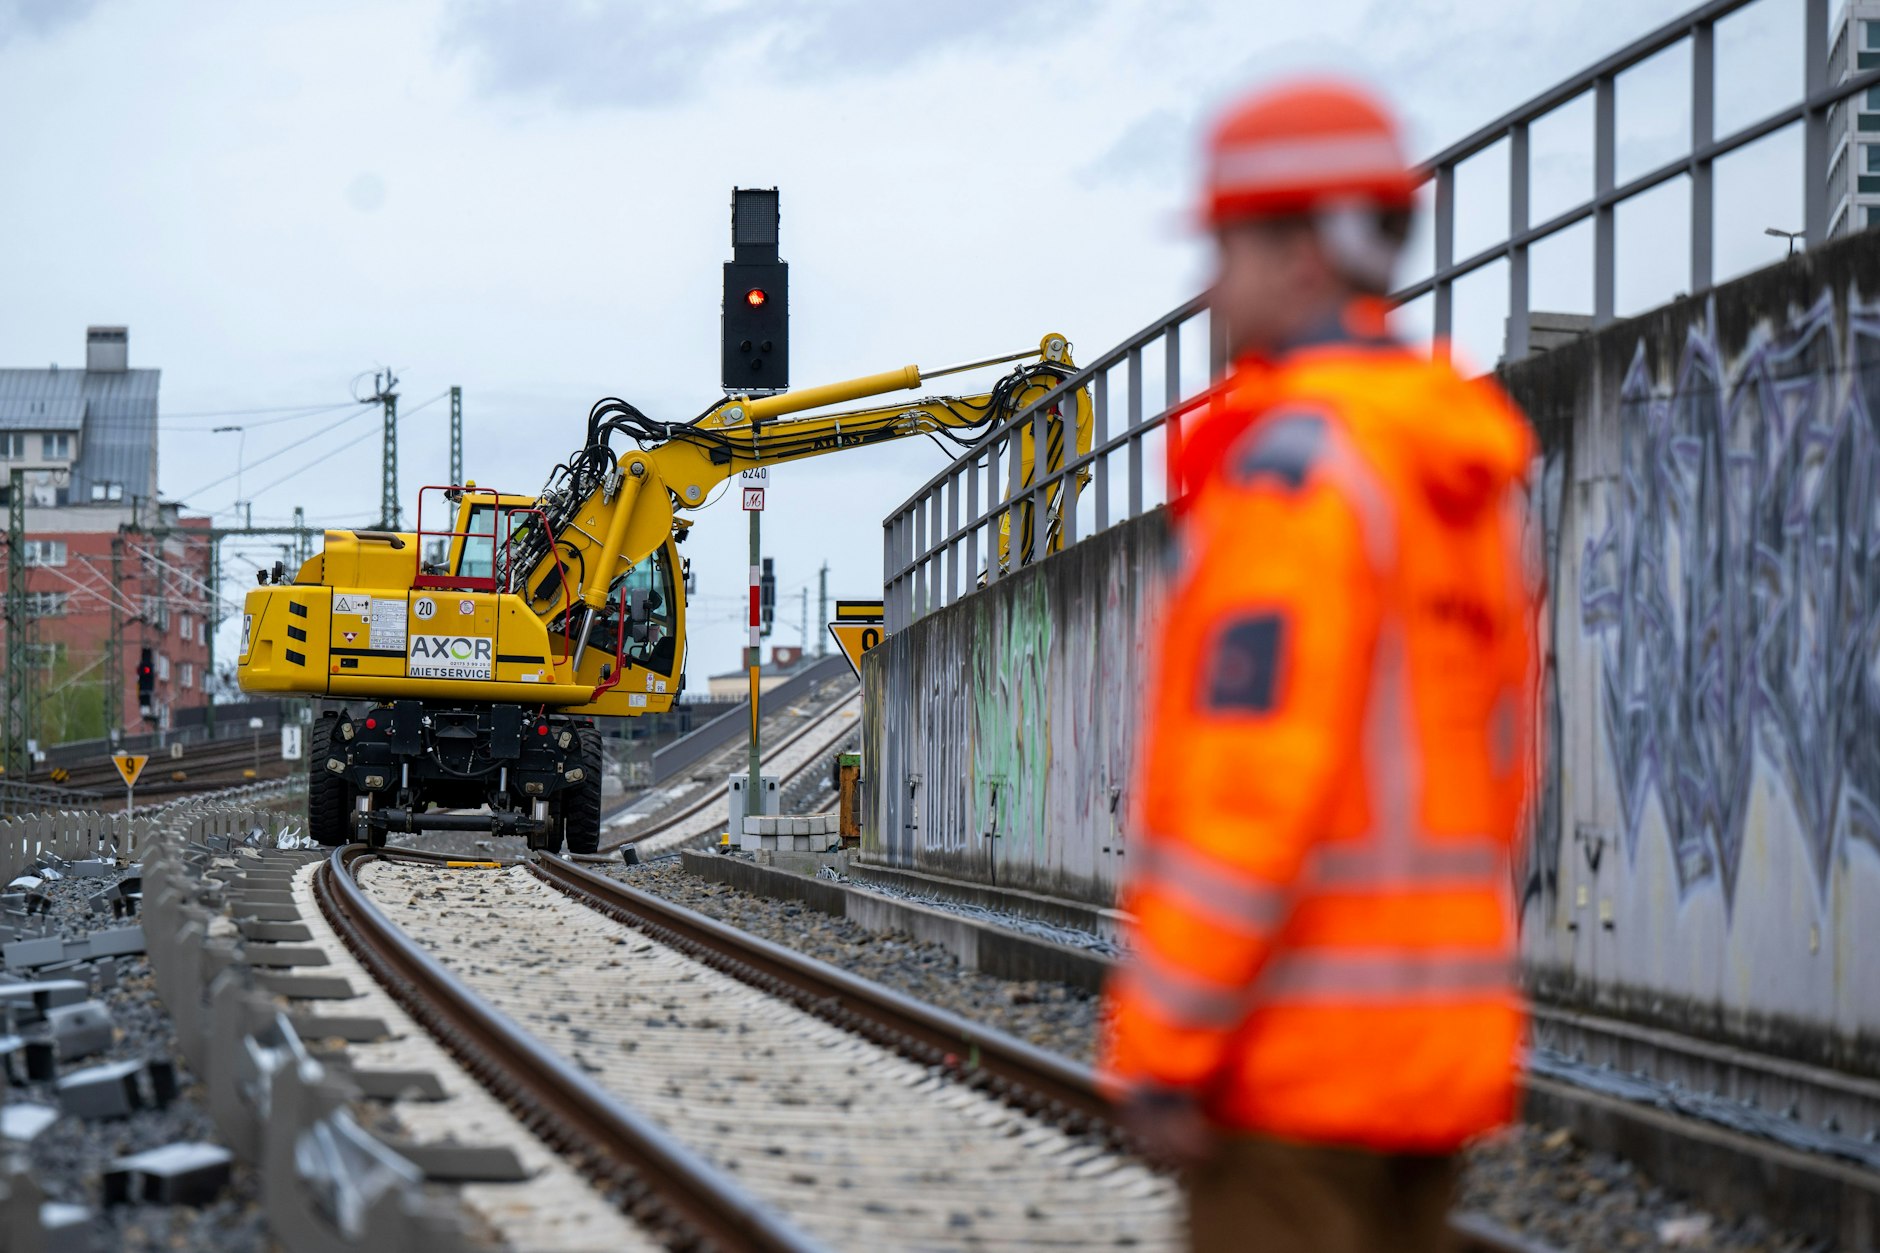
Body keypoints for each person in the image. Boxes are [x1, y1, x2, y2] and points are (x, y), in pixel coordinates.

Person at [1100, 78, 1539, 1253]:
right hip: (1433, 1054)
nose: (1211, 282)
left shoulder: (1295, 474)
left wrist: (1168, 1040)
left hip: (1291, 1060)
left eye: (1225, 244)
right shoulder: (1460, 473)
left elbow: (1253, 787)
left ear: (1303, 249)